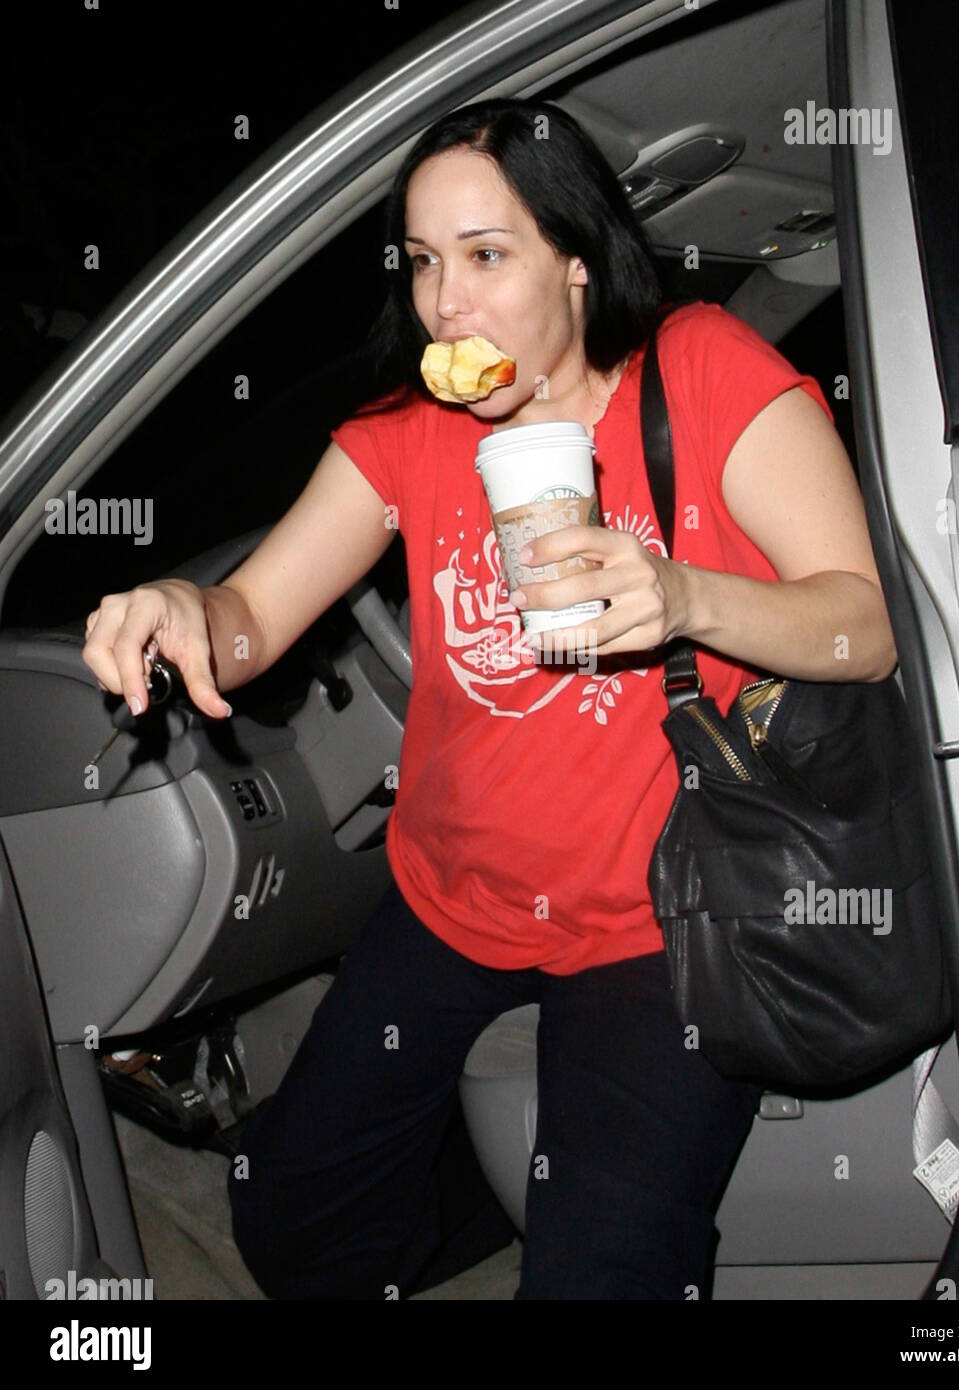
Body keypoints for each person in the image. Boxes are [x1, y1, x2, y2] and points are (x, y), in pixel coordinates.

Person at [82, 98, 896, 1299]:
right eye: (422, 262)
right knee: (290, 1223)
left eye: (484, 255)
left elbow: (862, 628)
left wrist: (682, 596)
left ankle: (566, 1217)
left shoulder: (702, 372)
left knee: (603, 1271)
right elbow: (251, 614)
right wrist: (180, 607)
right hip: (451, 894)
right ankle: (502, 1193)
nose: (444, 303)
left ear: (576, 262)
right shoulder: (409, 435)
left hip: (658, 920)